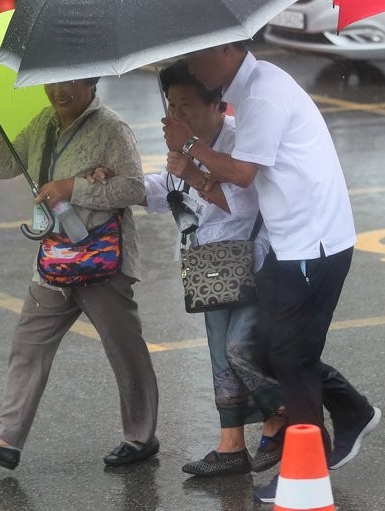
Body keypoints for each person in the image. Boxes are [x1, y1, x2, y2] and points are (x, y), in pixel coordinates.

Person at [164, 42, 380, 504]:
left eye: (197, 57)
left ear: (227, 49)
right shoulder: (257, 88)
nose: (193, 69)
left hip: (312, 243)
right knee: (262, 349)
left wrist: (187, 144)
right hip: (295, 243)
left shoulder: (261, 95)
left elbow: (241, 174)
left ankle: (306, 468)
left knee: (289, 356)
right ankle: (351, 409)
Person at [0, 78, 160, 470]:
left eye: (70, 83)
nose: (59, 91)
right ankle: (6, 438)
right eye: (52, 83)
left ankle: (140, 437)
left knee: (124, 348)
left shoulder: (112, 129)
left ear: (92, 82)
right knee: (28, 343)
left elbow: (133, 188)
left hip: (102, 258)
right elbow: (3, 166)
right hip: (55, 255)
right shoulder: (44, 122)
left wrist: (72, 187)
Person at [141, 63, 286, 477]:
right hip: (207, 263)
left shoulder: (239, 141)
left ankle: (282, 416)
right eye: (172, 105)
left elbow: (244, 204)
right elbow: (168, 190)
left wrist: (194, 167)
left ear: (216, 103)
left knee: (242, 348)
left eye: (186, 104)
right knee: (221, 357)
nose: (176, 113)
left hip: (251, 260)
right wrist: (124, 185)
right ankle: (231, 445)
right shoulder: (187, 145)